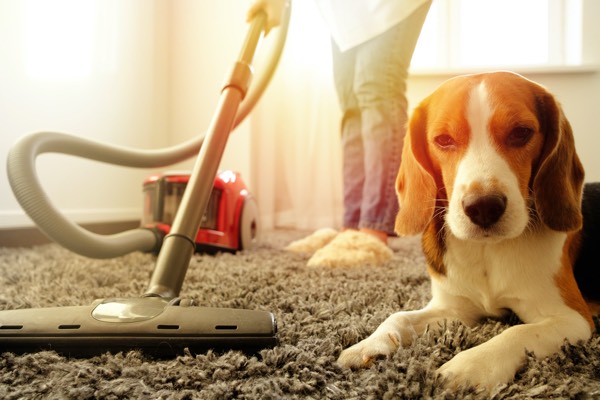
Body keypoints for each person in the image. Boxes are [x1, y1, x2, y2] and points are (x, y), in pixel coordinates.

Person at [247, 0, 431, 267]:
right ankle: (352, 227)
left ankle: (373, 229)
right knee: (351, 103)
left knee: (377, 88)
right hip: (345, 11)